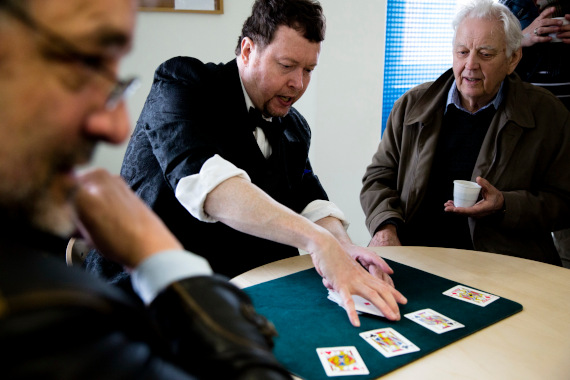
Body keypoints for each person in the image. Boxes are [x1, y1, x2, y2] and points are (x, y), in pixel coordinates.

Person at [0, 0, 295, 378]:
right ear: (248, 51)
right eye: (83, 66)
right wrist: (159, 256)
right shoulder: (42, 322)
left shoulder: (292, 126)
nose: (119, 127)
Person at [89, 0, 407, 326]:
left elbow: (309, 195)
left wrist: (345, 251)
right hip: (144, 295)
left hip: (248, 295)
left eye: (308, 69)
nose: (299, 83)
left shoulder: (294, 127)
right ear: (247, 50)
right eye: (286, 65)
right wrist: (317, 240)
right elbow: (209, 186)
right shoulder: (182, 83)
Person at [360, 0, 570, 266]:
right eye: (462, 52)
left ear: (512, 58)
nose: (470, 65)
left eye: (486, 54)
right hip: (418, 258)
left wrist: (505, 204)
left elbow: (564, 202)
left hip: (502, 265)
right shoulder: (412, 105)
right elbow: (378, 177)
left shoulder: (547, 113)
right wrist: (384, 228)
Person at [500, 0, 570, 268]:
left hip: (567, 132)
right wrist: (522, 38)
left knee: (566, 224)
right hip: (522, 130)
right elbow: (489, 56)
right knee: (515, 217)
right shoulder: (508, 7)